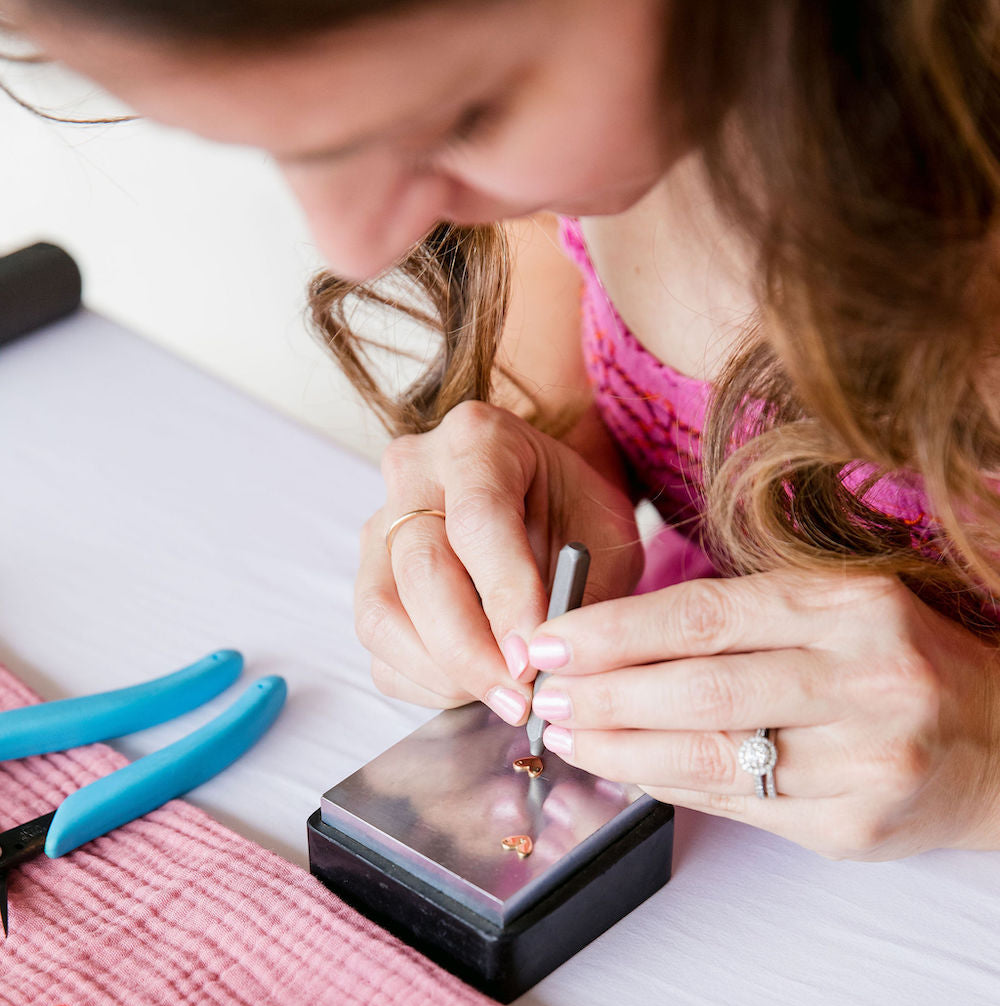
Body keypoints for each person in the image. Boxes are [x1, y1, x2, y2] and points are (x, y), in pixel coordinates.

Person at [6, 0, 1000, 860]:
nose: (354, 247)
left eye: (455, 117)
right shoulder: (604, 127)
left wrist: (985, 761)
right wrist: (535, 462)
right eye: (288, 141)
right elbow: (564, 360)